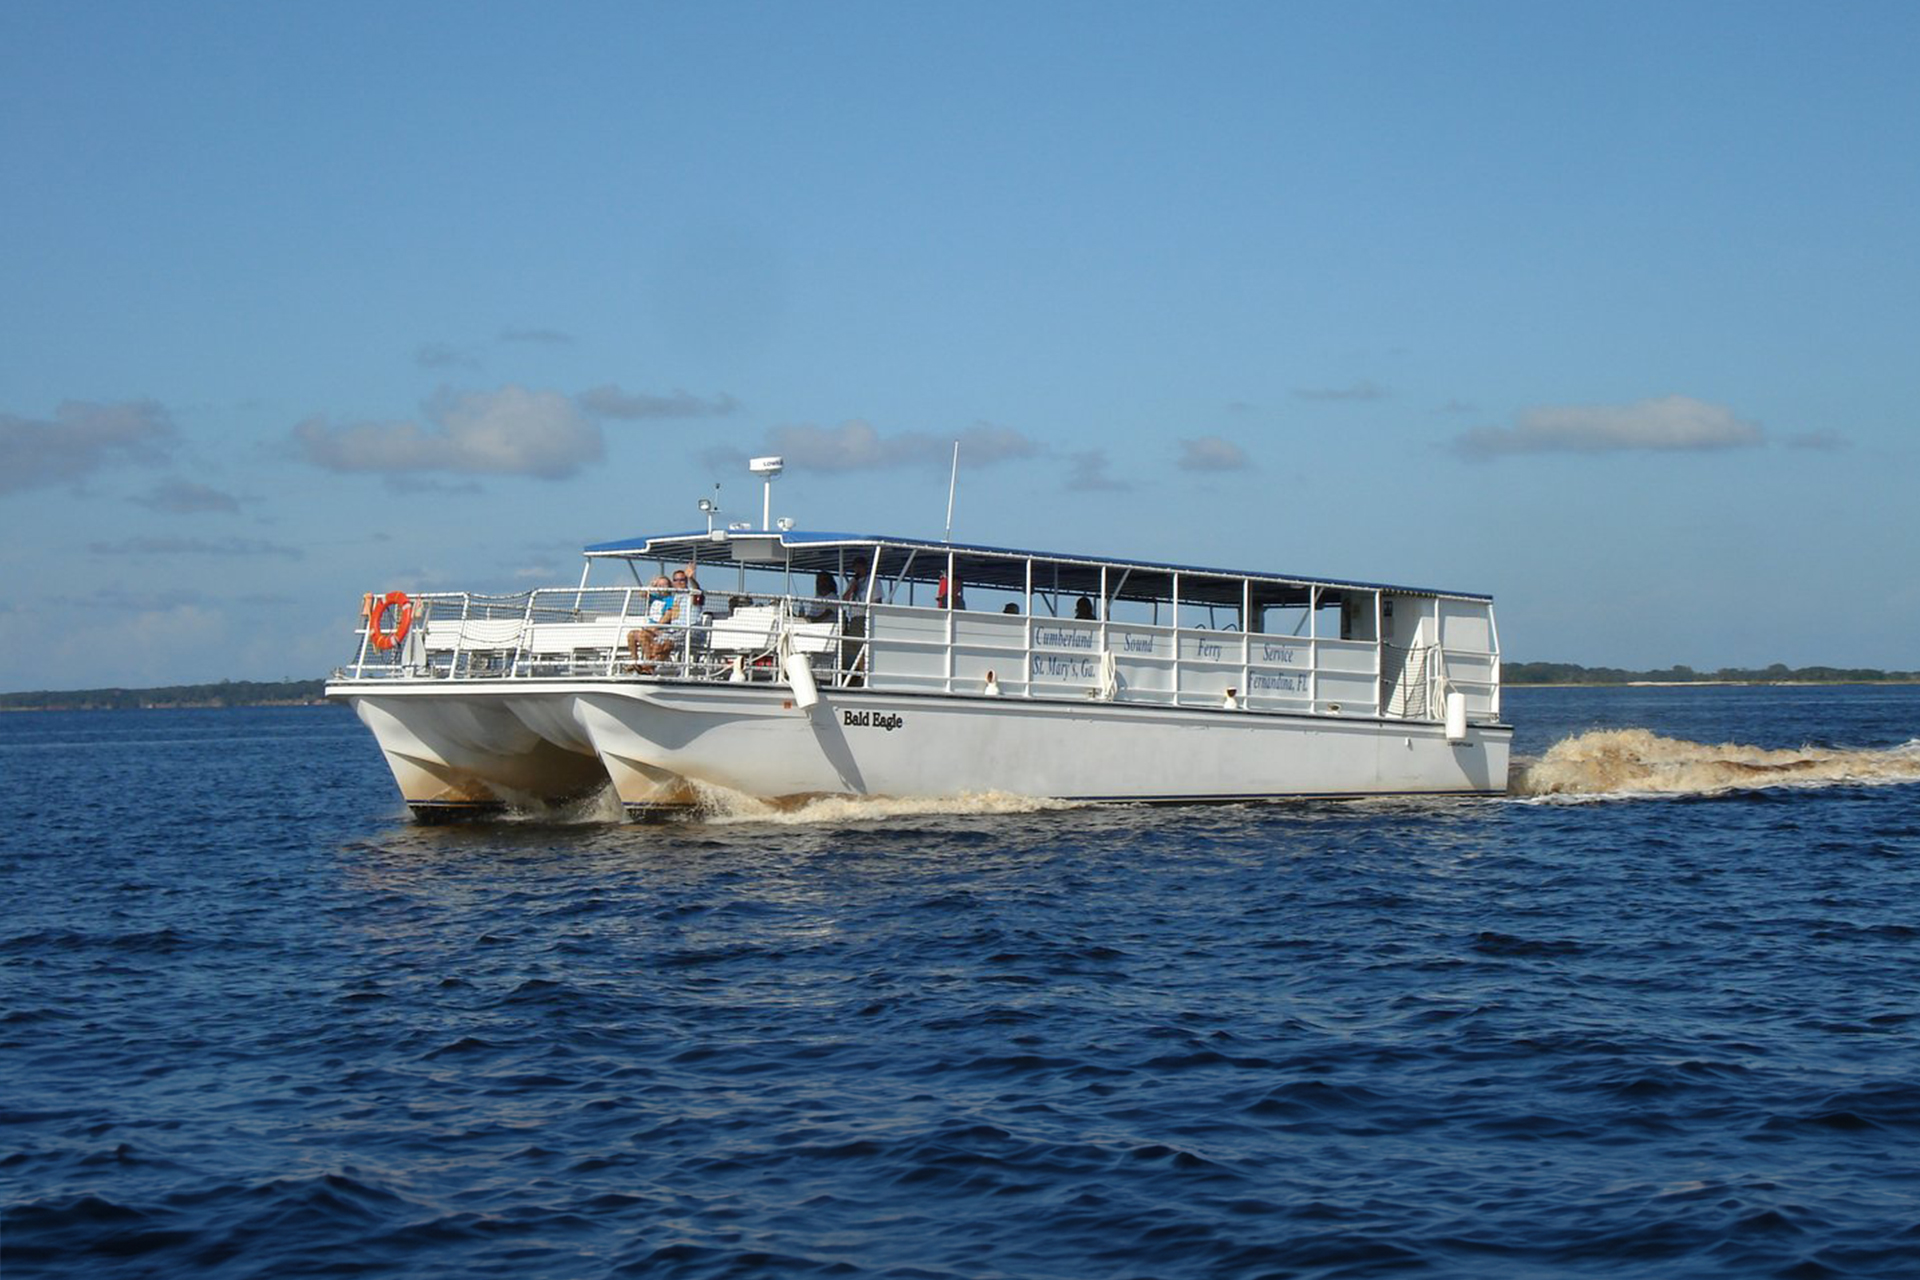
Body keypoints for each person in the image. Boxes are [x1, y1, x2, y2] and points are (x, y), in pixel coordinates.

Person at [626, 576, 678, 670]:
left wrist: (655, 627)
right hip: (649, 629)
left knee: (643, 636)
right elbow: (642, 594)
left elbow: (668, 615)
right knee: (631, 634)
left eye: (664, 584)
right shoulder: (655, 598)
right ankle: (634, 661)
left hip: (661, 630)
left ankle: (648, 662)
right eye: (659, 585)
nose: (661, 587)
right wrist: (651, 586)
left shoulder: (671, 600)